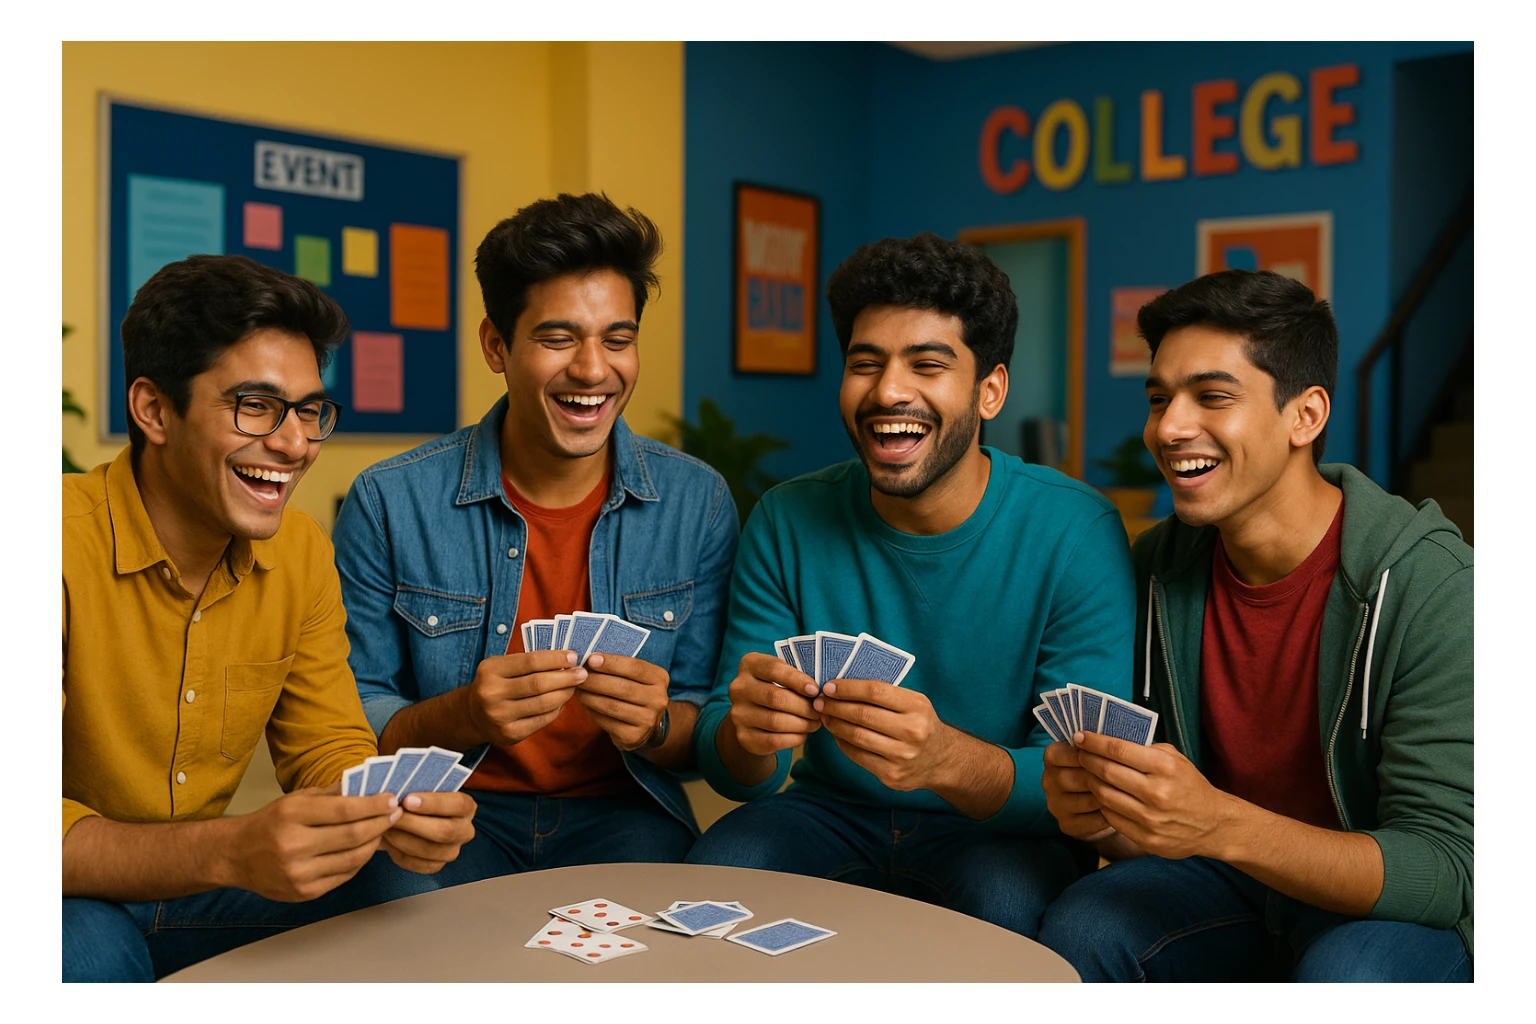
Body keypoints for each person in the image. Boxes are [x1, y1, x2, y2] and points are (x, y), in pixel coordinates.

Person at [684, 232, 1135, 937]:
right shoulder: (786, 516)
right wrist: (747, 735)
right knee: (716, 869)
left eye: (927, 364)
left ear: (990, 391)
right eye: (866, 363)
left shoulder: (1076, 531)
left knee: (1006, 909)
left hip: (1000, 831)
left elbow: (1082, 781)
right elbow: (734, 767)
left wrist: (947, 760)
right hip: (830, 811)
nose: (889, 390)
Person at [1035, 269, 1473, 982]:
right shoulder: (1156, 567)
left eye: (1212, 396)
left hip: (1383, 910)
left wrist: (1218, 823)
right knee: (1083, 924)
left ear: (1305, 417)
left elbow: (1448, 870)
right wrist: (1104, 813)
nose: (1169, 427)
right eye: (1159, 399)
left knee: (1349, 978)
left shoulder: (1433, 588)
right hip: (1226, 879)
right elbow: (1170, 822)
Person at [62, 255, 477, 982]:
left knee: (406, 893)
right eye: (254, 405)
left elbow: (326, 746)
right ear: (154, 410)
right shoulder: (53, 543)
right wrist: (227, 849)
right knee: (83, 951)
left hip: (199, 890)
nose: (295, 444)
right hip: (65, 891)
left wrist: (389, 808)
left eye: (310, 409)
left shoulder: (303, 550)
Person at [331, 193, 736, 886]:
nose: (592, 370)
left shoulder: (697, 503)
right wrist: (462, 714)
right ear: (496, 345)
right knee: (408, 926)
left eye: (617, 338)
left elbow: (706, 728)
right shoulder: (388, 500)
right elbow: (349, 719)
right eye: (557, 339)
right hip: (454, 809)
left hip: (625, 810)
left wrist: (659, 726)